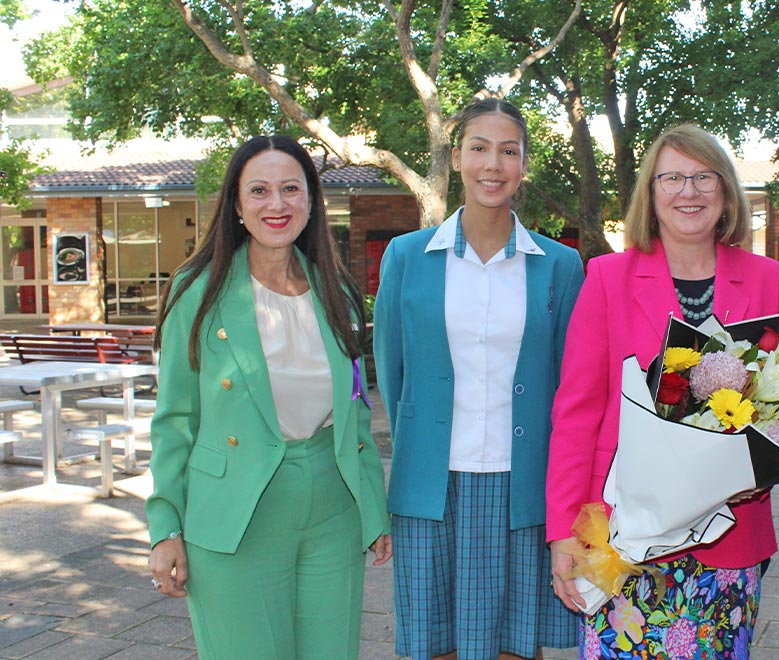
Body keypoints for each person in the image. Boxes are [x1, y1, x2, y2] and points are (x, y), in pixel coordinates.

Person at [546, 124, 779, 657]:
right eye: (674, 178)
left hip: (730, 533)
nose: (689, 191)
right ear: (651, 193)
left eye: (704, 177)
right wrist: (564, 531)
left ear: (725, 192)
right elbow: (576, 412)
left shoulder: (768, 278)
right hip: (624, 534)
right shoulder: (607, 277)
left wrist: (764, 470)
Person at [145, 135, 392, 660]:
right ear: (236, 204)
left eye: (290, 189)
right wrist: (165, 526)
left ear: (310, 200)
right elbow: (175, 420)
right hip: (236, 511)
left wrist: (373, 509)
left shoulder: (338, 290)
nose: (276, 205)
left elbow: (355, 406)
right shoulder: (198, 290)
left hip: (332, 508)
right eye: (259, 191)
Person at [373, 97, 584, 660]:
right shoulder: (407, 256)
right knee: (434, 643)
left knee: (518, 645)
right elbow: (391, 374)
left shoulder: (560, 266)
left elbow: (573, 387)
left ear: (523, 165)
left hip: (524, 485)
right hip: (430, 484)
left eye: (508, 151)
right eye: (479, 148)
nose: (493, 164)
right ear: (457, 156)